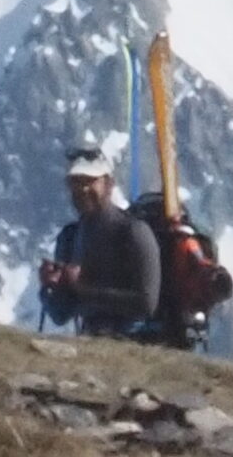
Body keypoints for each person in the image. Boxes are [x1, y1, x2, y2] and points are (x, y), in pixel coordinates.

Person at [38, 144, 161, 336]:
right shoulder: (70, 236)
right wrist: (50, 287)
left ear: (109, 184)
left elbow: (146, 305)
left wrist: (82, 289)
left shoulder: (134, 232)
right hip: (90, 343)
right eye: (76, 182)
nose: (83, 189)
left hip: (133, 346)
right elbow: (60, 315)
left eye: (90, 181)